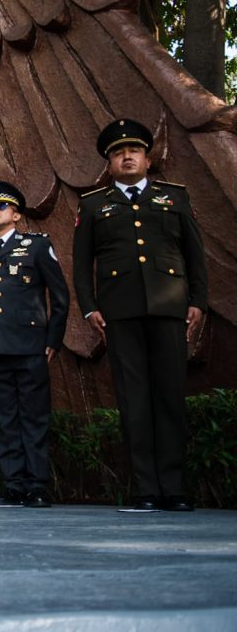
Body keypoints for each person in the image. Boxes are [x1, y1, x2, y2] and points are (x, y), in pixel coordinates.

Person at [73, 119, 208, 513]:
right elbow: (82, 264)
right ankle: (146, 488)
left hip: (170, 308)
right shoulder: (93, 204)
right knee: (134, 400)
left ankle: (174, 486)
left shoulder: (174, 198)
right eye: (118, 152)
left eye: (133, 151)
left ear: (147, 159)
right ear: (109, 163)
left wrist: (197, 300)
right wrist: (89, 306)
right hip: (120, 312)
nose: (126, 156)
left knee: (169, 396)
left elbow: (194, 254)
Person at [0, 181, 69, 509]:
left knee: (34, 417)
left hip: (30, 346)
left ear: (16, 215)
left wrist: (52, 340)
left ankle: (37, 485)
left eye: (0, 206)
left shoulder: (36, 246)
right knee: (7, 419)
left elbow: (60, 296)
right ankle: (14, 485)